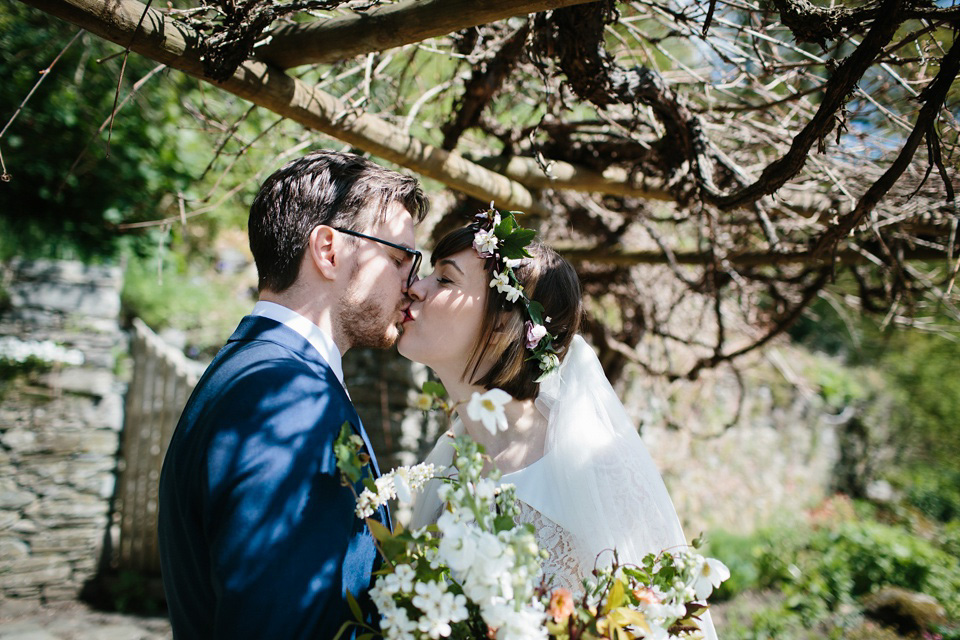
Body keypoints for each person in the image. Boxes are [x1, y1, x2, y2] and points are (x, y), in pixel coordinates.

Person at [398, 207, 718, 639]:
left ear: (500, 324)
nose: (415, 288)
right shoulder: (449, 459)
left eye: (445, 278)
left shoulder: (587, 463)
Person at [158, 150, 428, 640]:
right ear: (328, 250)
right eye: (399, 259)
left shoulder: (250, 370)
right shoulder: (290, 395)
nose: (412, 287)